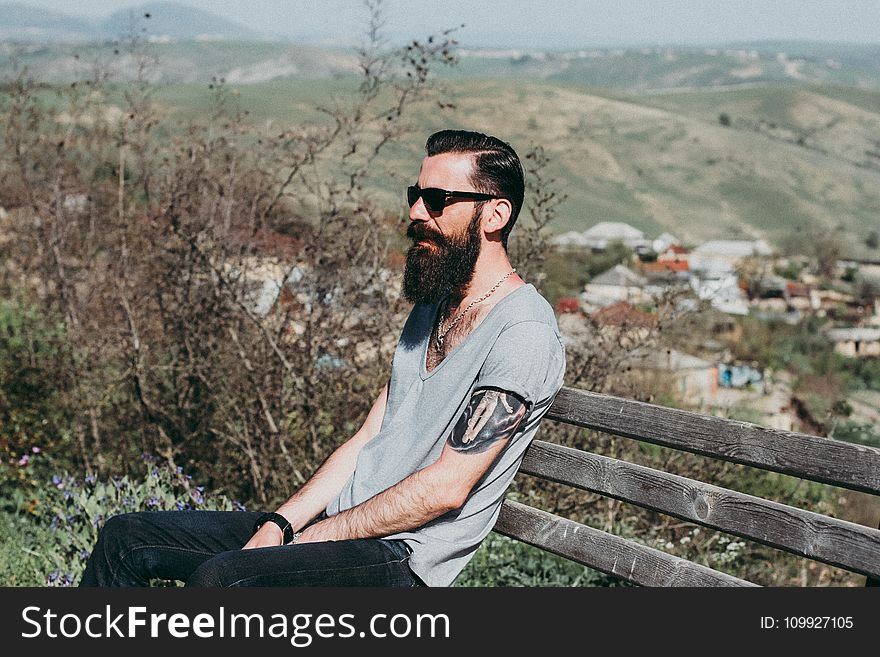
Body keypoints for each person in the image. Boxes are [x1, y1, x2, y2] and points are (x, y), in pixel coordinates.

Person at [80, 129, 566, 587]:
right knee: (126, 539)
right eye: (413, 195)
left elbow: (446, 489)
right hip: (343, 528)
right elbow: (367, 439)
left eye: (438, 200)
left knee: (223, 582)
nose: (418, 211)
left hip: (404, 558)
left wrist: (308, 539)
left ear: (495, 215)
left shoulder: (522, 332)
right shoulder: (433, 305)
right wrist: (281, 523)